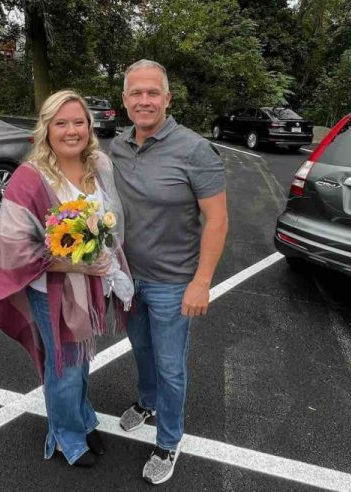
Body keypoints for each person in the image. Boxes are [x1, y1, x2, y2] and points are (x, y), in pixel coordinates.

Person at [0, 90, 132, 468]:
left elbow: (112, 218)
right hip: (52, 288)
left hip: (93, 283)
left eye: (79, 122)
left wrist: (105, 257)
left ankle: (81, 416)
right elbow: (14, 248)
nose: (71, 130)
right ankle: (65, 436)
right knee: (64, 363)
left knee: (80, 358)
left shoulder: (100, 165)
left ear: (90, 127)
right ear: (46, 129)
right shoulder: (30, 178)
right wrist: (76, 265)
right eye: (61, 123)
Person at [110, 60, 229, 484]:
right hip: (127, 279)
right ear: (124, 100)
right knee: (141, 352)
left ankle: (168, 440)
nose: (144, 100)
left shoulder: (195, 150)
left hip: (173, 283)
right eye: (136, 93)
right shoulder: (118, 147)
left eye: (152, 93)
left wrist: (201, 282)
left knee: (171, 365)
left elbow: (217, 220)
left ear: (167, 99)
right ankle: (147, 402)